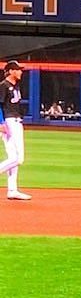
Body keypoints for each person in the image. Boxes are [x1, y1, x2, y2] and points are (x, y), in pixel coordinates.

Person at [0, 60, 31, 200]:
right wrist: (1, 123)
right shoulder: (3, 86)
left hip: (16, 121)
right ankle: (12, 189)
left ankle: (12, 190)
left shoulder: (16, 86)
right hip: (9, 122)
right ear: (11, 71)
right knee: (18, 158)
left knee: (14, 157)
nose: (21, 72)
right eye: (18, 69)